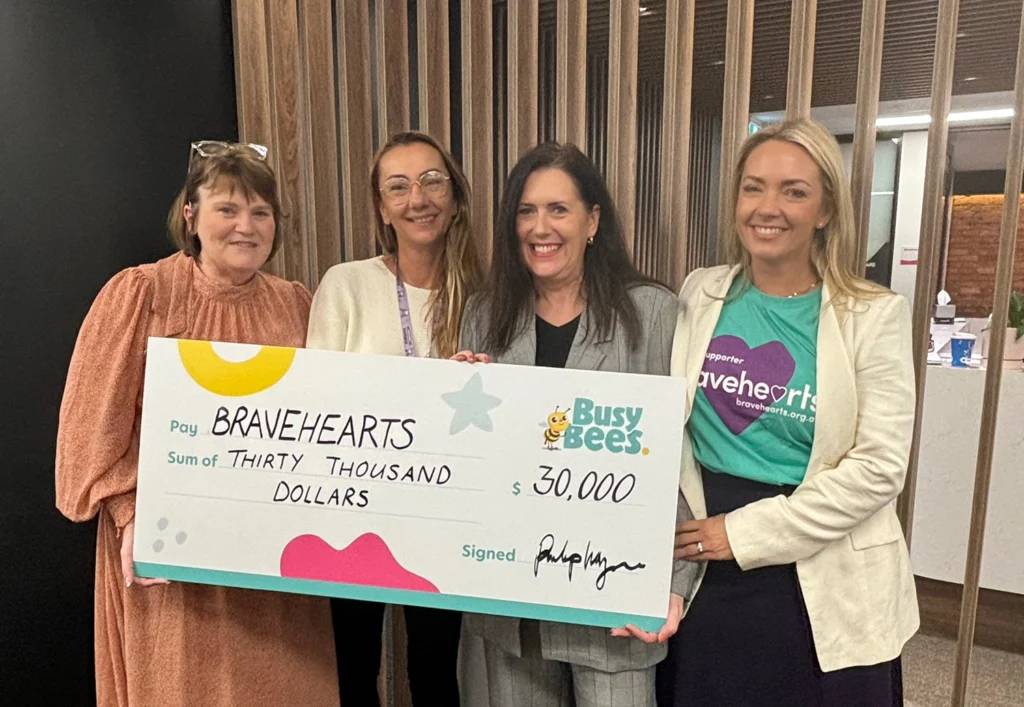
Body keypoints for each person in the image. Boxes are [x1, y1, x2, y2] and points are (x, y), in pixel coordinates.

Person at [55, 141, 338, 706]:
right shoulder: (142, 294)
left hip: (277, 567)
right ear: (191, 214)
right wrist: (131, 512)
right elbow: (87, 436)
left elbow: (337, 418)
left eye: (261, 212)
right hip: (177, 567)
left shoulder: (296, 304)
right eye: (227, 209)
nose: (246, 226)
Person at [658, 118, 919, 706]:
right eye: (753, 187)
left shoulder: (872, 315)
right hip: (708, 567)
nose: (766, 207)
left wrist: (744, 532)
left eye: (793, 191)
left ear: (825, 210)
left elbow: (879, 468)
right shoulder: (701, 291)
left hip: (823, 566)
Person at [454, 142, 696, 707]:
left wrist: (675, 585)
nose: (541, 227)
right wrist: (457, 408)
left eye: (559, 209)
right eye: (526, 210)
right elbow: (474, 465)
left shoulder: (653, 315)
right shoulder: (485, 315)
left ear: (592, 221)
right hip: (512, 611)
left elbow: (681, 464)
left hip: (616, 604)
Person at [306, 131, 484, 705]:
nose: (418, 198)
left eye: (433, 180)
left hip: (447, 514)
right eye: (399, 186)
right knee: (354, 672)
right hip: (355, 512)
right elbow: (315, 400)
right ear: (382, 207)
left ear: (455, 194)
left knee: (435, 674)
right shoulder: (347, 284)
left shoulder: (485, 296)